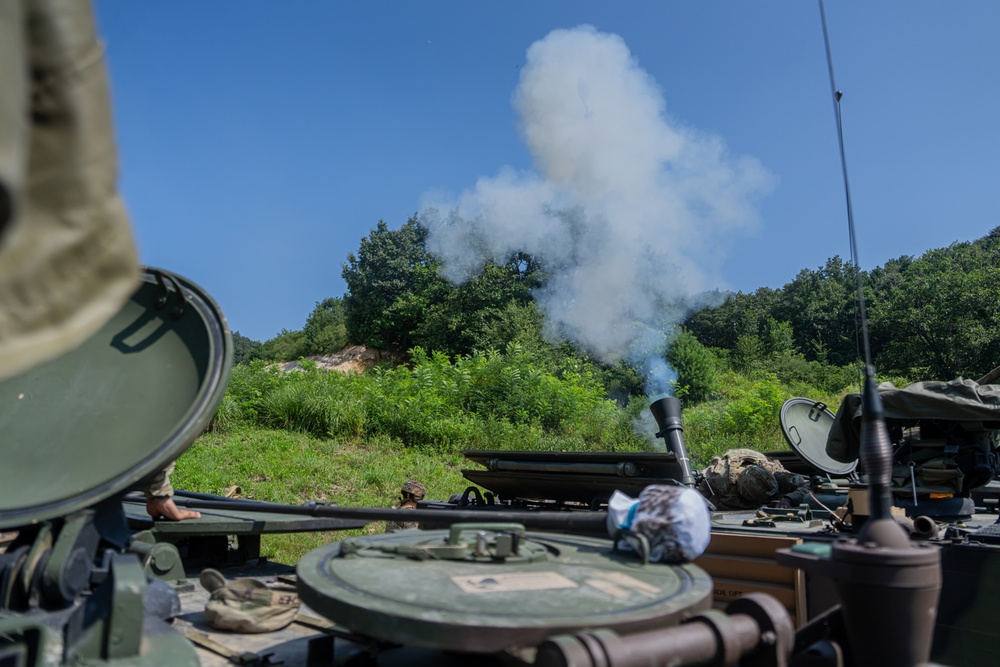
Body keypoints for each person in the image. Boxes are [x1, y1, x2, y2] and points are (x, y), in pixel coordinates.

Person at [698, 448, 811, 511]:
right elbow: (697, 500)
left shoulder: (773, 470)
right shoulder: (716, 478)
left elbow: (806, 485)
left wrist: (788, 500)